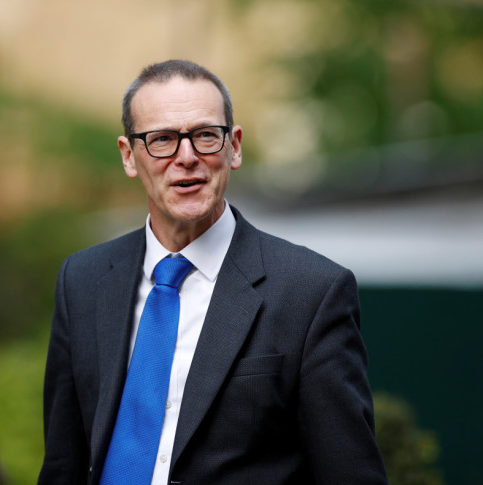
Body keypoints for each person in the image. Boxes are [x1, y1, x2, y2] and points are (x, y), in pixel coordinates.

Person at [38, 59, 387, 484]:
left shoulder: (311, 292)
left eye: (205, 135)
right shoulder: (83, 280)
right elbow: (63, 464)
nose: (187, 157)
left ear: (233, 147)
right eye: (162, 139)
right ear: (129, 157)